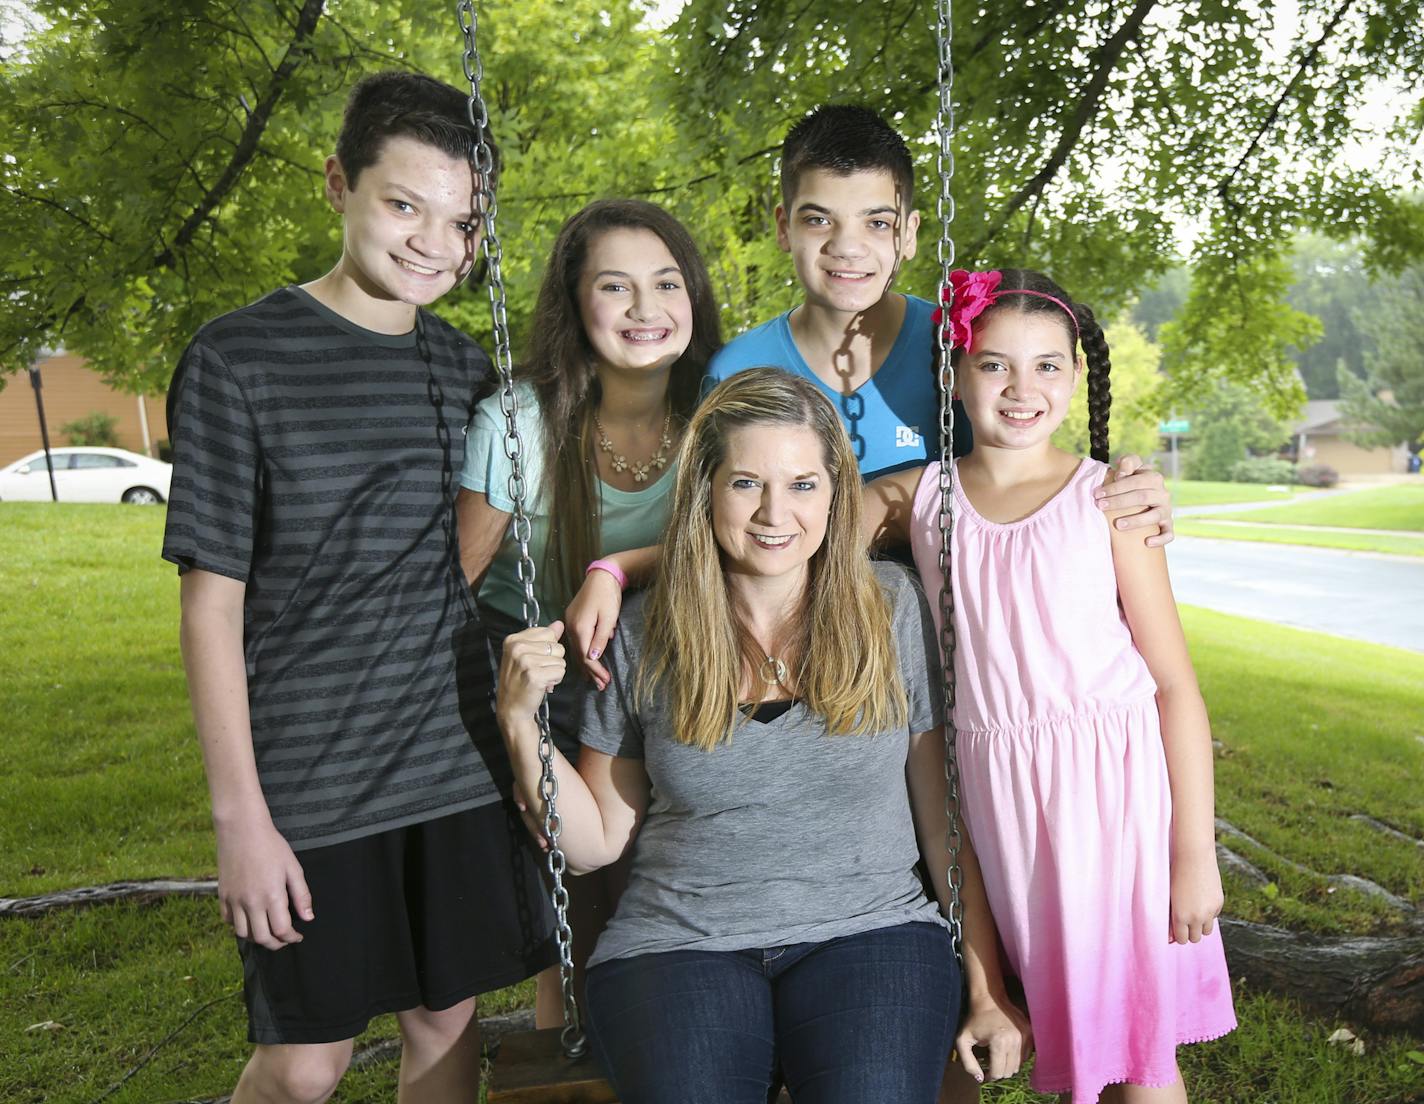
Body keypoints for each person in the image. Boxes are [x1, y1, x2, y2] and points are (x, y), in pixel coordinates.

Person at [162, 71, 555, 1104]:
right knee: (304, 1063)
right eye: (402, 204)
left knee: (444, 1017)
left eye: (460, 221)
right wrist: (239, 819)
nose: (432, 241)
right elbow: (212, 604)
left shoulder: (468, 370)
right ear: (338, 184)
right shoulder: (235, 359)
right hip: (310, 778)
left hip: (452, 758)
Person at [496, 368, 1028, 1104]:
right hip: (677, 941)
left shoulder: (890, 608)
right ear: (705, 491)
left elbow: (942, 827)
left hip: (872, 932)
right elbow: (593, 843)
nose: (776, 512)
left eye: (804, 484)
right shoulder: (645, 631)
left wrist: (987, 988)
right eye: (746, 483)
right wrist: (520, 720)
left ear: (836, 492)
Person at [866, 269, 1237, 1103]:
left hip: (1116, 804)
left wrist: (1193, 854)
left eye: (1046, 366)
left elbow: (1174, 685)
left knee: (1139, 1060)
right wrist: (616, 567)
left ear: (1075, 374)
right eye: (994, 365)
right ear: (956, 376)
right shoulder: (919, 498)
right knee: (1034, 1040)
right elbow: (782, 525)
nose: (1021, 388)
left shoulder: (1107, 499)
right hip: (998, 801)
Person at [455, 197, 721, 1026]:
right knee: (582, 916)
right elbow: (450, 589)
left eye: (666, 283)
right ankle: (567, 1030)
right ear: (575, 306)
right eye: (616, 287)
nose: (646, 310)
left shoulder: (721, 415)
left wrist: (614, 568)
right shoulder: (518, 426)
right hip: (545, 676)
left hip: (676, 665)